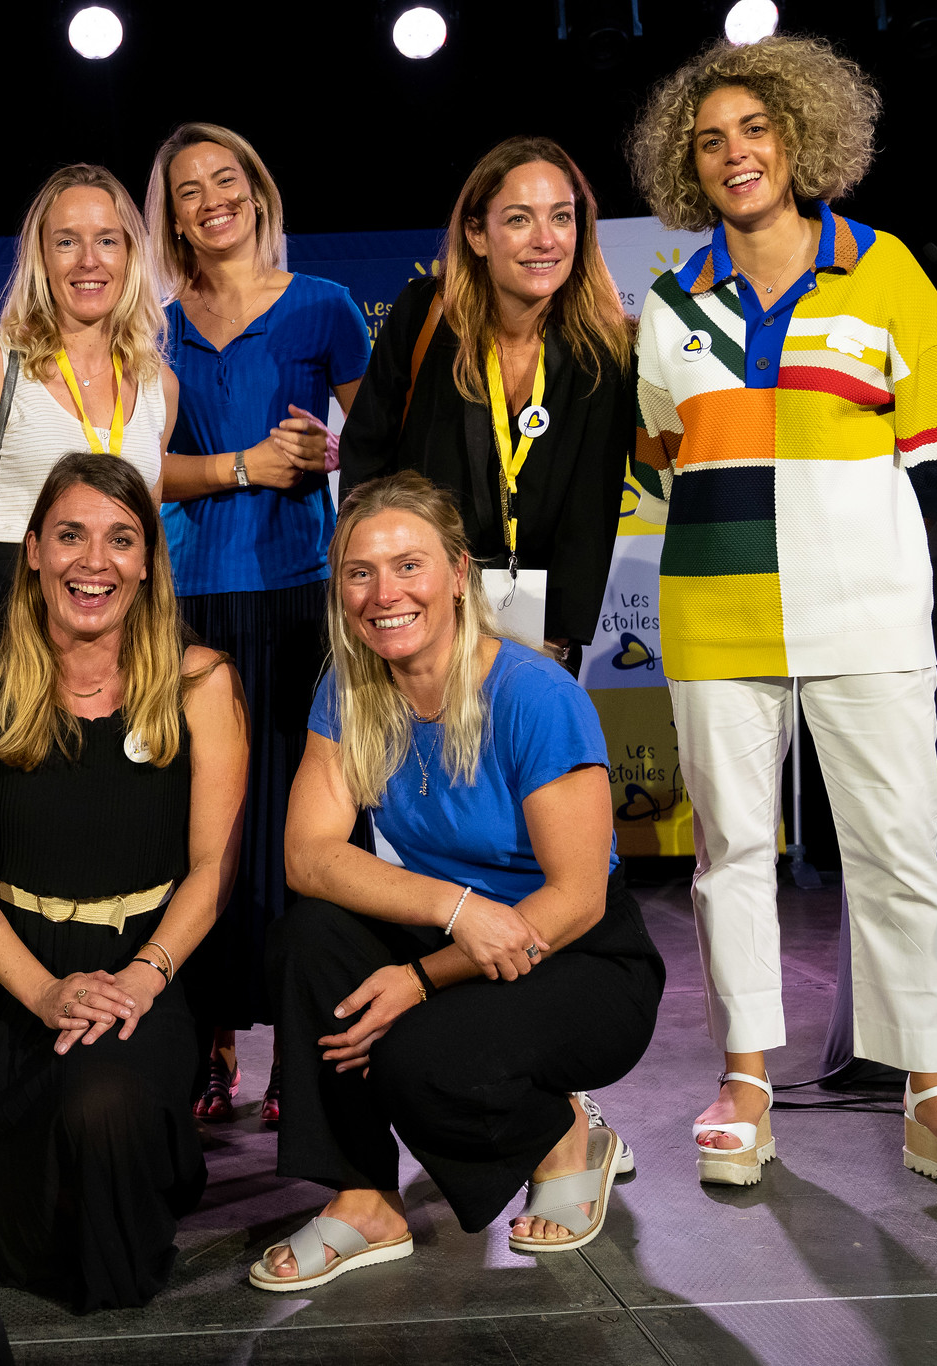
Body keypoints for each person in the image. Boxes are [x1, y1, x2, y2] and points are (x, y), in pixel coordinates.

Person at [626, 35, 937, 1196]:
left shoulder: (884, 270)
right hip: (713, 605)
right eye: (708, 141)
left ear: (799, 138)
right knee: (732, 852)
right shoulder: (664, 302)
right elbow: (664, 457)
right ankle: (744, 1081)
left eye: (754, 129)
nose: (733, 153)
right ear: (684, 171)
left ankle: (929, 1092)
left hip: (861, 608)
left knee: (896, 852)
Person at [254, 472, 664, 1292]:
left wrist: (420, 975)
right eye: (360, 572)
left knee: (418, 1057)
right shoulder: (347, 691)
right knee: (310, 936)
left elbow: (577, 897)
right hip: (462, 923)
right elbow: (308, 856)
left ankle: (563, 1130)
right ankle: (364, 1198)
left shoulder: (533, 694)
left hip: (580, 953)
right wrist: (453, 911)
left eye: (410, 565)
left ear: (458, 574)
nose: (383, 593)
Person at [0, 453, 246, 1311]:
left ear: (149, 558)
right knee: (18, 1216)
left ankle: (157, 1147)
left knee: (103, 1105)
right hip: (6, 971)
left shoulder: (200, 682)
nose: (93, 561)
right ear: (31, 549)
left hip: (147, 962)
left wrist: (143, 978)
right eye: (69, 535)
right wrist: (41, 993)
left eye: (119, 539)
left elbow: (216, 870)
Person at [143, 121, 371, 1124]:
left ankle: (301, 1045)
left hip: (300, 596)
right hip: (187, 606)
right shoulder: (150, 328)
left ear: (255, 190)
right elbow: (135, 470)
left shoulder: (322, 306)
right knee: (201, 826)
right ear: (172, 216)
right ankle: (205, 1038)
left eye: (223, 179)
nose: (209, 200)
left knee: (299, 825)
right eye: (187, 190)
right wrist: (241, 467)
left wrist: (326, 458)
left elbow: (373, 452)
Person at [338, 135, 632, 676]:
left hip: (538, 632)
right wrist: (381, 599)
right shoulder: (421, 315)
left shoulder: (604, 349)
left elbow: (591, 512)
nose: (546, 240)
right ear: (477, 233)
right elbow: (366, 466)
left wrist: (557, 643)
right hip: (415, 618)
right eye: (520, 219)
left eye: (561, 217)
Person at [0, 164, 179, 647]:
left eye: (108, 241)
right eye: (67, 241)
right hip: (11, 600)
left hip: (116, 609)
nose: (88, 260)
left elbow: (147, 530)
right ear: (42, 257)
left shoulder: (160, 383)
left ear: (132, 255)